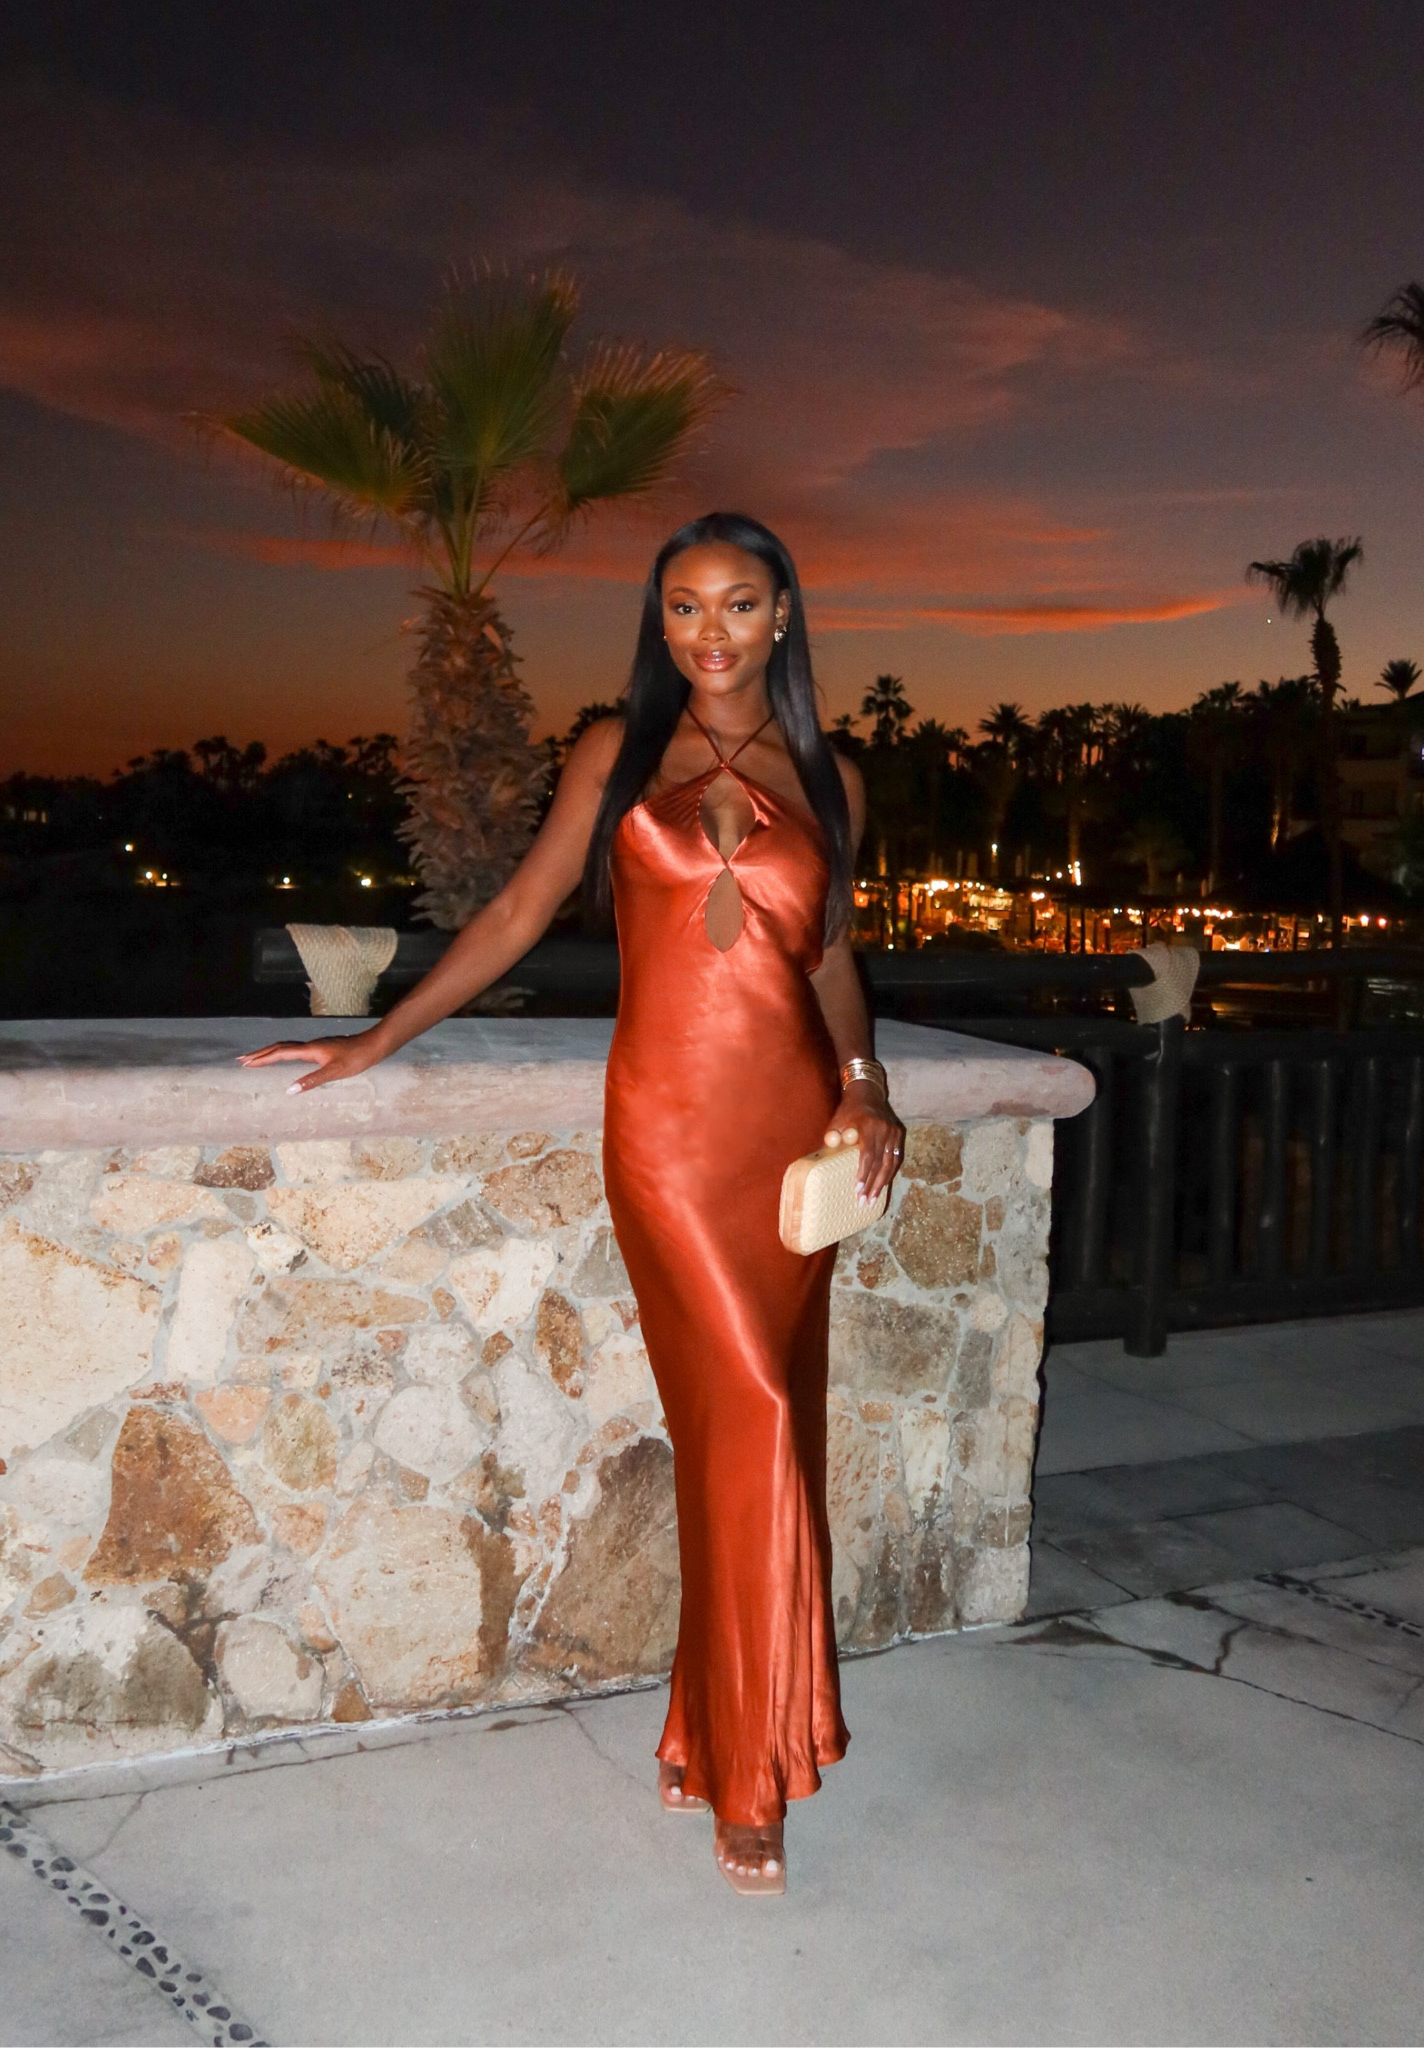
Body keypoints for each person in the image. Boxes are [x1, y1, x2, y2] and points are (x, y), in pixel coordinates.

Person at [241, 512, 904, 1895]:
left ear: (783, 616)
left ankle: (709, 1733)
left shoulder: (832, 776)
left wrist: (865, 1084)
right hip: (666, 1131)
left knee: (757, 1421)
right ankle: (752, 1772)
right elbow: (515, 915)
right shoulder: (615, 751)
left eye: (738, 604)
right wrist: (377, 1037)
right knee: (753, 1413)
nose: (709, 630)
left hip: (788, 1127)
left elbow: (831, 955)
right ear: (659, 621)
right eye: (684, 605)